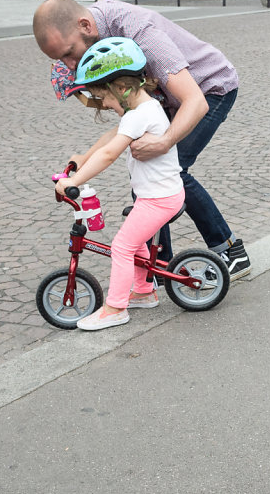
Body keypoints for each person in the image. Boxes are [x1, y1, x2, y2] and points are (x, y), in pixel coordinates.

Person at [34, 0, 252, 280]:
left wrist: (164, 142)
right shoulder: (95, 40)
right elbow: (126, 127)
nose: (71, 65)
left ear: (85, 25)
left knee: (172, 170)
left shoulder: (138, 30)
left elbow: (195, 101)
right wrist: (85, 157)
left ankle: (230, 251)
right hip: (165, 102)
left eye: (69, 53)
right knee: (146, 181)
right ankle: (159, 265)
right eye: (60, 60)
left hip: (208, 89)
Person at [55, 37, 184, 330]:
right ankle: (143, 291)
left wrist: (73, 181)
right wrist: (83, 157)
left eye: (107, 99)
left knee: (122, 246)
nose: (108, 105)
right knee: (134, 241)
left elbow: (110, 153)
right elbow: (109, 139)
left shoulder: (140, 115)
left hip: (158, 199)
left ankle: (114, 309)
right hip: (157, 194)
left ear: (123, 89)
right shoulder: (141, 110)